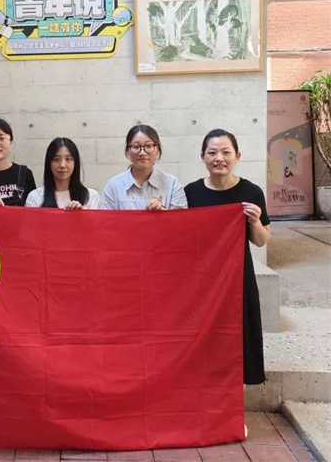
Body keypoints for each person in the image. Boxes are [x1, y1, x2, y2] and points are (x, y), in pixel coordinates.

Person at [184, 129, 270, 391]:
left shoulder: (251, 192)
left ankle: (233, 402)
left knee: (239, 337)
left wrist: (255, 221)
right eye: (212, 152)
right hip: (201, 281)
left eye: (225, 152)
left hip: (238, 279)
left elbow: (261, 240)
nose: (218, 158)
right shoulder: (191, 193)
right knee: (205, 340)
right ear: (202, 157)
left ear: (237, 156)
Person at [101, 124, 187, 210]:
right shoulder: (114, 186)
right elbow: (106, 218)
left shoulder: (172, 184)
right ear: (128, 152)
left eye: (148, 146)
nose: (142, 153)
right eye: (136, 147)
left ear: (158, 151)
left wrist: (163, 213)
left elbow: (181, 218)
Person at [25, 137, 100, 209]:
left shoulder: (91, 196)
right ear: (49, 164)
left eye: (68, 159)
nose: (62, 165)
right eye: (57, 159)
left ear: (75, 163)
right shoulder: (35, 197)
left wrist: (82, 214)